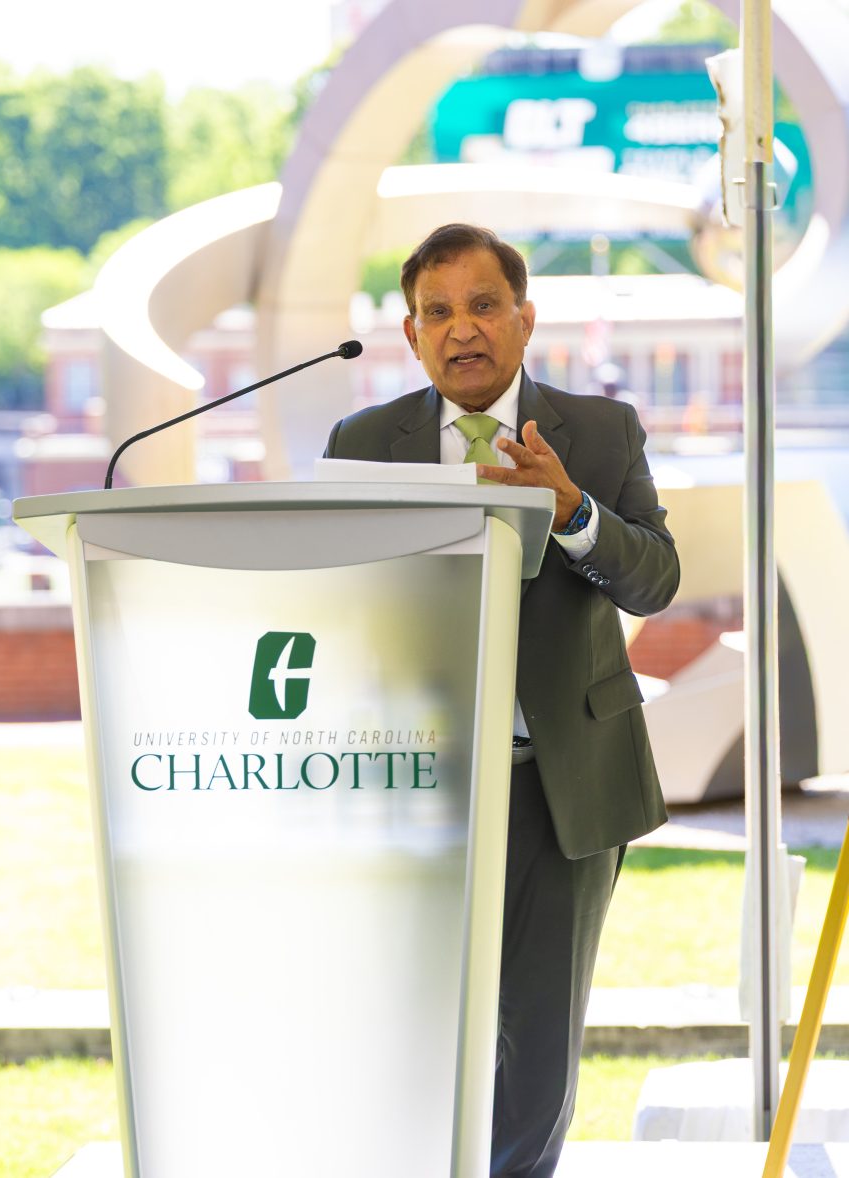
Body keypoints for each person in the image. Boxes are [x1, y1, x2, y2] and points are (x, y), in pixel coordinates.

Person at [323, 223, 679, 1177]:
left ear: (526, 320)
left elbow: (656, 581)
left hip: (562, 784)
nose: (462, 330)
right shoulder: (363, 445)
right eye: (437, 313)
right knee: (422, 1034)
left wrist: (572, 512)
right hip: (419, 785)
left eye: (483, 306)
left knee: (537, 1060)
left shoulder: (600, 433)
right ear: (409, 335)